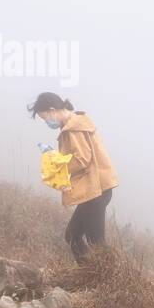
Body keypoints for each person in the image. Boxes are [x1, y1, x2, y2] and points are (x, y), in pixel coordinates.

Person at [29, 93, 118, 261]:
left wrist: (56, 163)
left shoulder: (72, 129)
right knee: (73, 235)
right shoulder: (78, 121)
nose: (46, 122)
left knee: (95, 243)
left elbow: (82, 159)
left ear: (52, 110)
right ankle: (91, 276)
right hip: (98, 188)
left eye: (44, 118)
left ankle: (110, 282)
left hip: (95, 191)